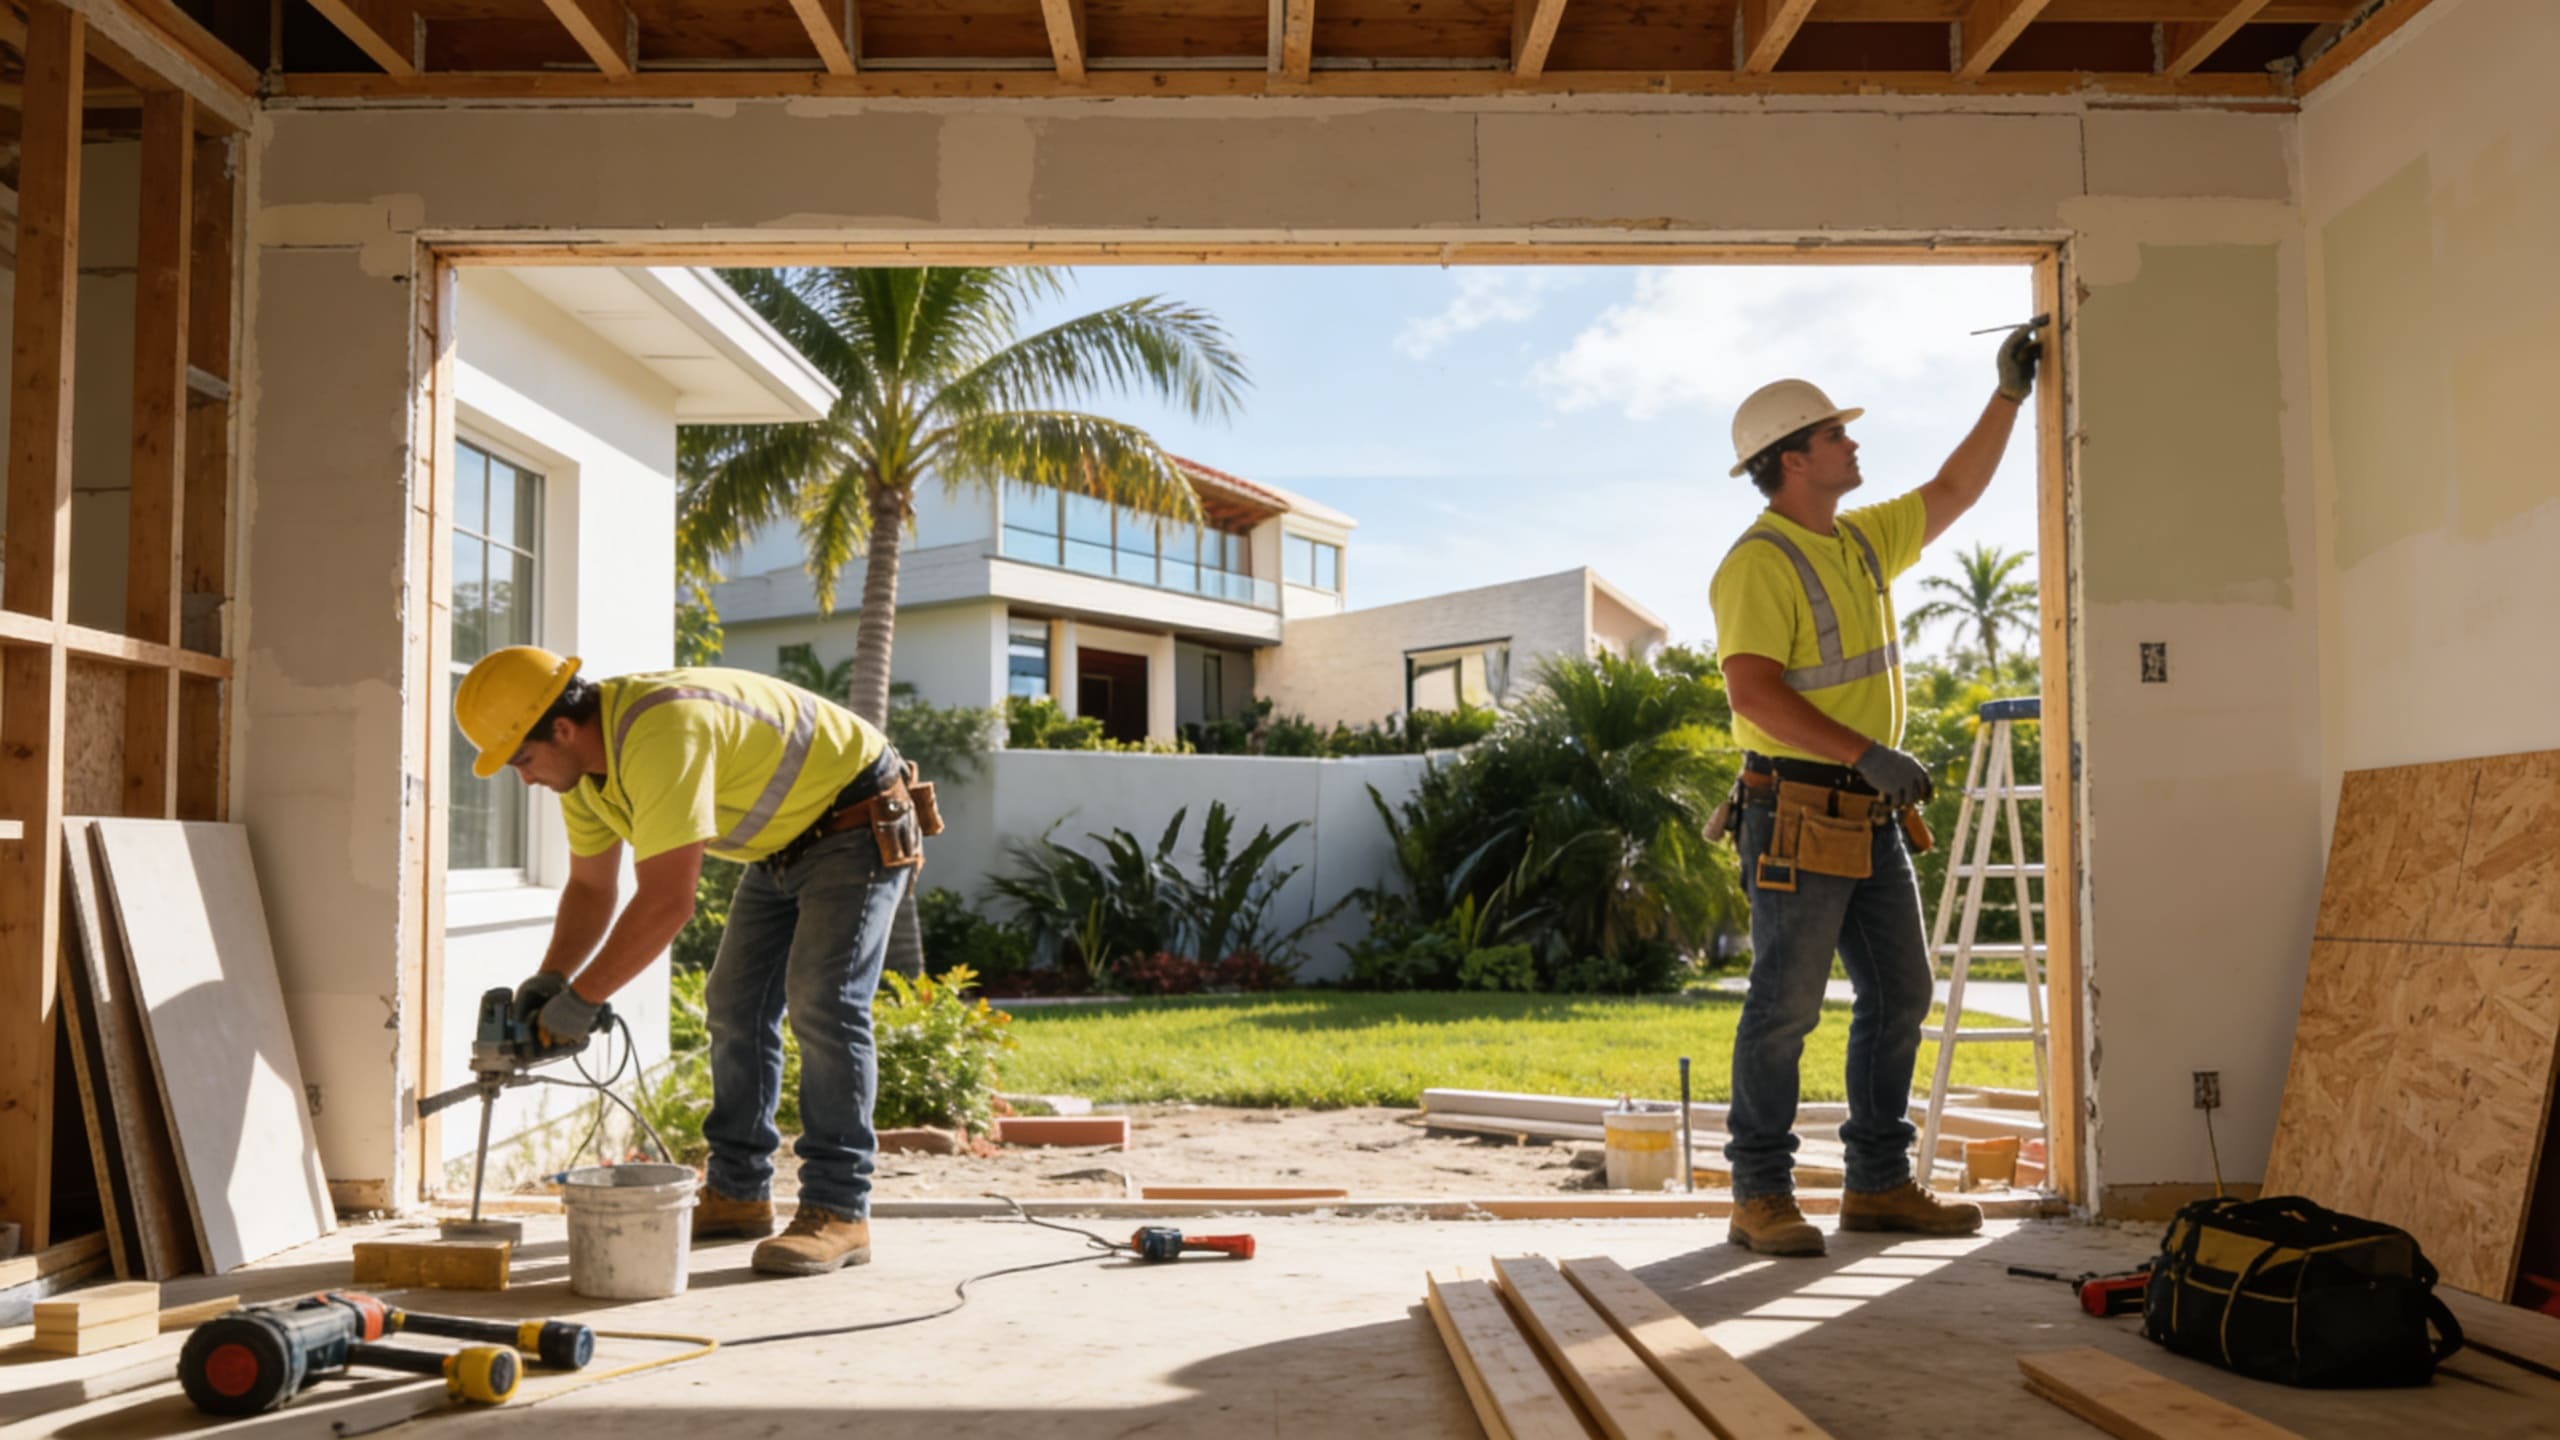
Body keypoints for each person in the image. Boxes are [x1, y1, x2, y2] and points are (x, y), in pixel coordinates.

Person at [1707, 324, 2042, 1257]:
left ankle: (1879, 1185)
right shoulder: (1758, 563)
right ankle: (1760, 1193)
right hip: (1797, 810)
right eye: (1834, 435)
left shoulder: (1858, 542)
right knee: (1786, 1006)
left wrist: (2007, 394)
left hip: (1866, 809)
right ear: (1790, 460)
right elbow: (1753, 692)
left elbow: (1954, 490)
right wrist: (1865, 752)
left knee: (1902, 992)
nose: (1853, 443)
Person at [452, 645, 933, 1277]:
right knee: (734, 1003)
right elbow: (593, 890)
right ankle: (738, 1192)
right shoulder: (584, 777)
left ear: (562, 730)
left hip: (856, 818)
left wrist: (585, 1000)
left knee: (823, 999)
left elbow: (666, 902)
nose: (524, 776)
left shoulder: (658, 731)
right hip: (785, 842)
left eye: (523, 758)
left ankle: (839, 1209)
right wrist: (553, 981)